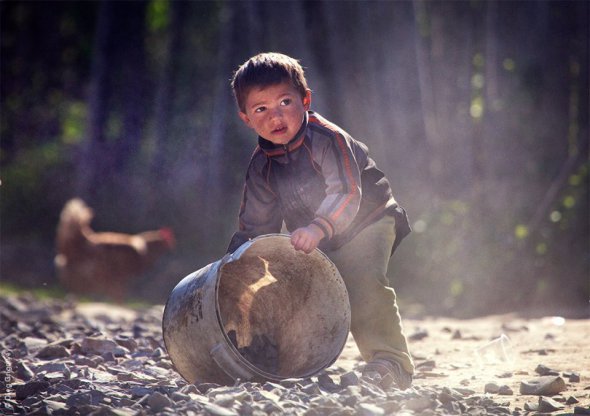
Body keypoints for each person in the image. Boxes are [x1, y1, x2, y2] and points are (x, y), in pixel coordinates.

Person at [226, 52, 414, 389]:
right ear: (246, 119)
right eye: (261, 109)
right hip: (321, 234)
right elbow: (256, 226)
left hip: (368, 218)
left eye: (285, 101)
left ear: (305, 100)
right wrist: (236, 266)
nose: (276, 115)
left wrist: (317, 227)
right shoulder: (261, 167)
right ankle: (282, 360)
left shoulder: (327, 139)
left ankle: (391, 362)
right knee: (290, 289)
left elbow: (346, 193)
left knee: (361, 281)